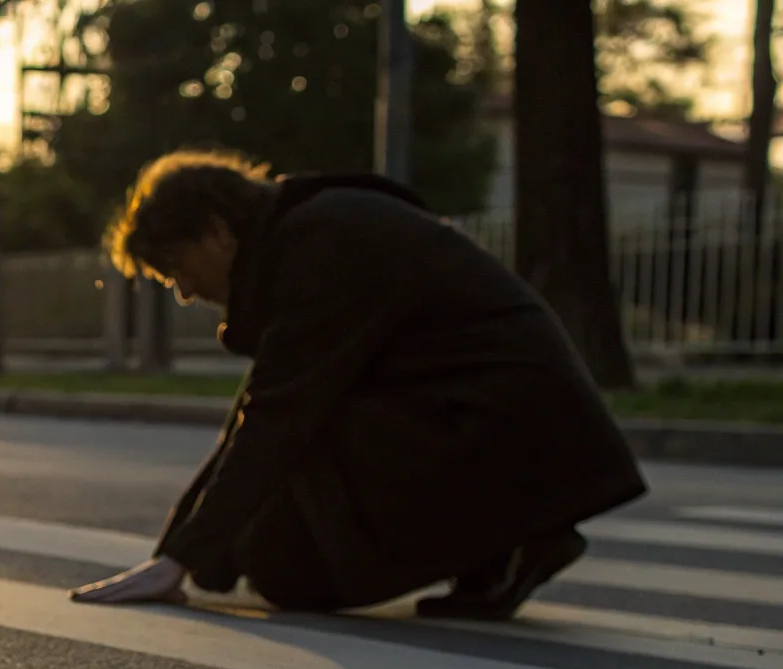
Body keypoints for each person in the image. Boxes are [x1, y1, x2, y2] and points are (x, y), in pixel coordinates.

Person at [71, 151, 646, 620]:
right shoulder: (306, 234)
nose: (185, 292)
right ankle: (505, 546)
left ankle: (516, 540)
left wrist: (181, 558)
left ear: (217, 232)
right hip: (490, 419)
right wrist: (181, 554)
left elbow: (279, 414)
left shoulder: (321, 245)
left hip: (506, 424)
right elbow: (262, 406)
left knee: (290, 562)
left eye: (177, 268)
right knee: (274, 551)